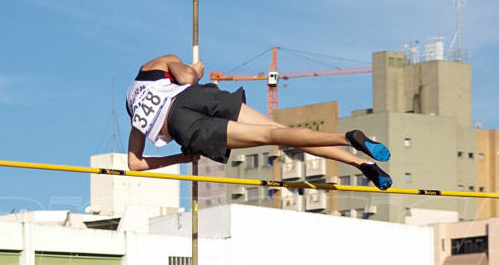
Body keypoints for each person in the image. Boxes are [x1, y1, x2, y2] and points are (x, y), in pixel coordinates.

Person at [125, 54, 393, 190]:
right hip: (196, 96)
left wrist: (182, 160)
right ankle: (362, 161)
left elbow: (134, 163)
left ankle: (348, 140)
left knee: (272, 138)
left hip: (183, 125)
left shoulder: (133, 109)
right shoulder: (156, 64)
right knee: (280, 131)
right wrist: (194, 69)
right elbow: (186, 78)